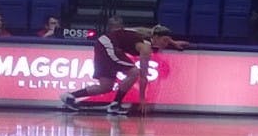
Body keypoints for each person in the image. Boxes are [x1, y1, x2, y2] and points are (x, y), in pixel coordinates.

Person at [60, 17, 188, 115]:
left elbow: (158, 32)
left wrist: (173, 42)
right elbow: (143, 76)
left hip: (104, 44)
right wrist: (142, 99)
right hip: (108, 45)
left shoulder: (149, 35)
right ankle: (115, 104)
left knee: (106, 87)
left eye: (168, 40)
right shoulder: (146, 47)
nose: (166, 44)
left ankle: (70, 96)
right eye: (165, 40)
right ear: (155, 37)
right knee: (135, 72)